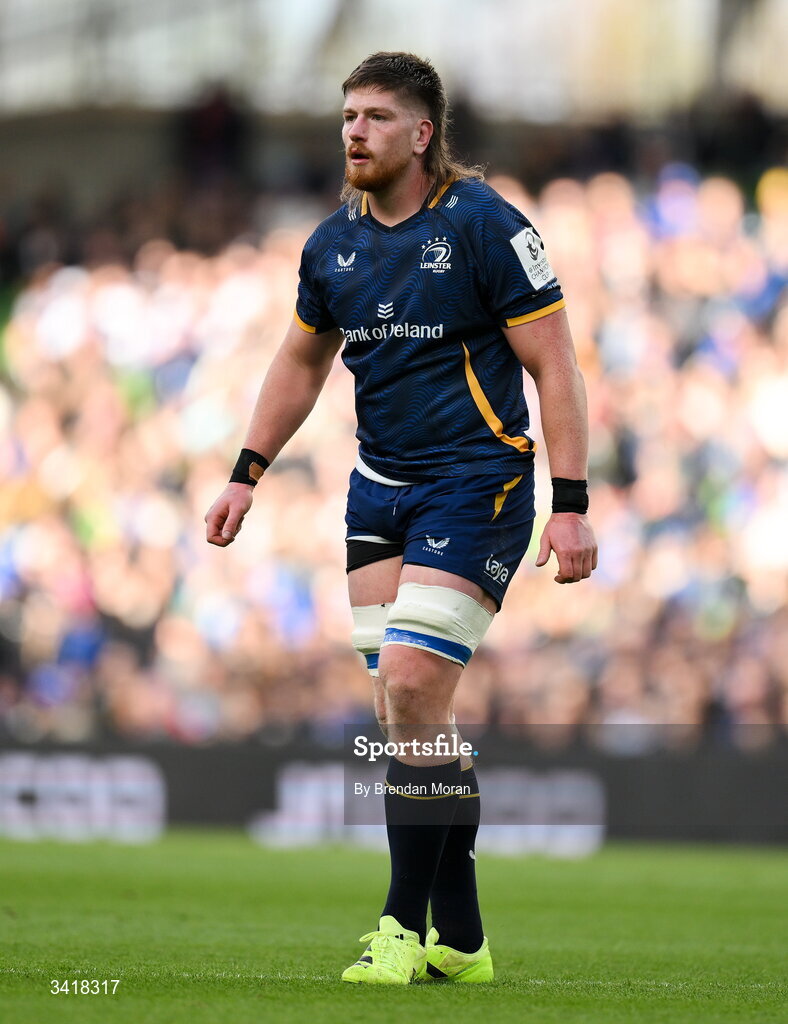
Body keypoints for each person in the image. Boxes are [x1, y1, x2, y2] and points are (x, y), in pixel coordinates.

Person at [205, 51, 598, 986]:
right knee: (406, 714)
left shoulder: (485, 226)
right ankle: (462, 941)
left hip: (479, 484)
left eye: (377, 116)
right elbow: (301, 363)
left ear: (422, 133)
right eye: (347, 114)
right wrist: (245, 473)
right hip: (379, 489)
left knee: (415, 688)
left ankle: (398, 926)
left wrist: (572, 504)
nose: (354, 130)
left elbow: (556, 364)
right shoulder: (331, 245)